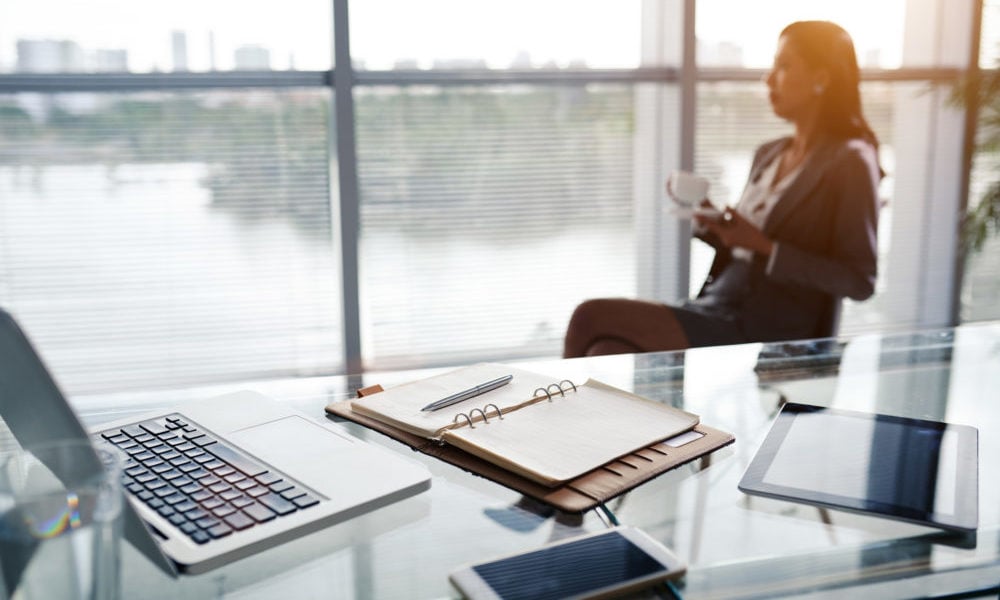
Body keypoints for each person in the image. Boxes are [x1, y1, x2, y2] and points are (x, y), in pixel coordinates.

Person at [563, 21, 882, 358]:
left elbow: (859, 280)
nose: (769, 79)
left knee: (590, 317)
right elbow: (743, 247)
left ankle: (541, 411)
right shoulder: (769, 153)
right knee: (605, 347)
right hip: (720, 303)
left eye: (784, 66)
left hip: (769, 324)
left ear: (822, 78)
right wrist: (715, 224)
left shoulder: (851, 161)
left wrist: (764, 246)